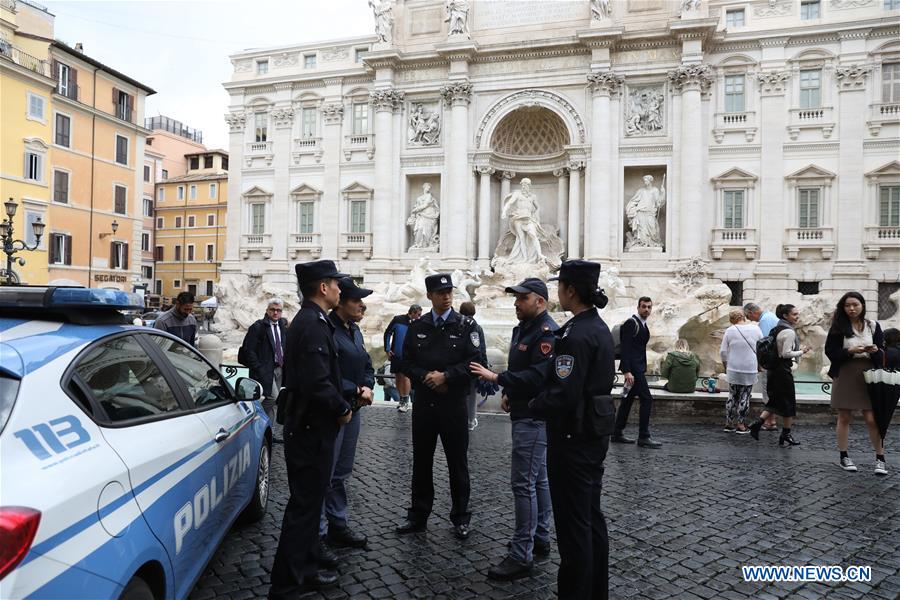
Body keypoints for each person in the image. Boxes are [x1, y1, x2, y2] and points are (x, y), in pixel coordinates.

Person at [530, 260, 615, 600]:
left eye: (560, 286)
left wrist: (531, 405)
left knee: (572, 526)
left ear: (571, 291)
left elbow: (564, 393)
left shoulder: (575, 335)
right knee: (591, 519)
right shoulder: (599, 328)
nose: (556, 293)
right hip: (593, 434)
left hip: (572, 437)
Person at [268, 260, 353, 598]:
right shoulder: (313, 324)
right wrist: (342, 407)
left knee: (309, 505)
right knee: (303, 508)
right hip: (310, 429)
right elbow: (317, 382)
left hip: (308, 427)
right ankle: (287, 584)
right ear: (322, 288)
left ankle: (304, 569)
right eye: (335, 284)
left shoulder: (311, 321)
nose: (339, 290)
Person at [469, 278, 557, 581]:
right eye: (516, 298)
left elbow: (537, 376)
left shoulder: (546, 332)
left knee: (524, 484)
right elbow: (523, 368)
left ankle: (522, 554)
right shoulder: (525, 327)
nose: (516, 303)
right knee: (539, 480)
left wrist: (497, 379)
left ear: (540, 302)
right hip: (524, 409)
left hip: (533, 416)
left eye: (522, 298)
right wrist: (509, 392)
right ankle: (540, 537)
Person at [396, 273, 483, 539]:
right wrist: (427, 378)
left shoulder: (466, 325)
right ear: (430, 296)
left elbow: (475, 363)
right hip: (424, 403)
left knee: (458, 463)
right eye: (440, 293)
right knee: (421, 462)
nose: (446, 296)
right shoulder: (418, 325)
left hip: (453, 404)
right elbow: (406, 362)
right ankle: (418, 515)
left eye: (449, 292)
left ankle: (460, 517)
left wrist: (447, 377)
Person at [319, 278, 376, 564]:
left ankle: (337, 524)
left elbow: (367, 363)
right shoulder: (327, 330)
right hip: (333, 411)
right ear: (341, 303)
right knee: (324, 474)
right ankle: (318, 535)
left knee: (341, 472)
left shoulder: (354, 330)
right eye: (357, 300)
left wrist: (367, 386)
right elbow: (324, 374)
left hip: (353, 409)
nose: (362, 305)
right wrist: (354, 388)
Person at [825, 292, 887, 476]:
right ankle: (844, 456)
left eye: (855, 305)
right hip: (845, 373)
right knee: (844, 416)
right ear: (843, 308)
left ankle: (880, 458)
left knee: (872, 419)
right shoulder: (838, 327)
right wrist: (849, 351)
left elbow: (883, 352)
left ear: (862, 306)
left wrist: (875, 351)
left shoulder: (873, 326)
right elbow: (831, 351)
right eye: (847, 305)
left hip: (868, 374)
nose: (852, 308)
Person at [749, 304, 811, 446]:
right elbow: (785, 353)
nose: (797, 317)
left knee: (775, 401)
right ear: (785, 316)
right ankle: (786, 434)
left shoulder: (776, 329)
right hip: (782, 371)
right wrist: (802, 352)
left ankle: (757, 424)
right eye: (794, 314)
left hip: (773, 370)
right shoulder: (789, 332)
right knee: (789, 403)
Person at [612, 297, 662, 448]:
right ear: (638, 307)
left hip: (637, 368)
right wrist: (627, 371)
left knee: (627, 400)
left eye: (649, 307)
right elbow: (626, 348)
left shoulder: (643, 325)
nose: (646, 309)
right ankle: (643, 436)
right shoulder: (631, 323)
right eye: (644, 306)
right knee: (646, 399)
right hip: (633, 370)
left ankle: (617, 433)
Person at [241, 299, 288, 422]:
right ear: (267, 310)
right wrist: (258, 367)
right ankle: (254, 418)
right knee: (273, 398)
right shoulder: (258, 327)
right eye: (272, 309)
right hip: (265, 369)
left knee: (272, 402)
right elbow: (249, 350)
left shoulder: (282, 326)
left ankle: (269, 433)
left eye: (278, 310)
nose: (275, 313)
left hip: (279, 368)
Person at [719, 309, 763, 434]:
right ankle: (741, 425)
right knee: (745, 395)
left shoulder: (729, 330)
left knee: (732, 395)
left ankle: (728, 424)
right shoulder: (756, 329)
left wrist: (726, 365)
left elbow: (723, 352)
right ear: (744, 317)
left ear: (732, 319)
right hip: (750, 368)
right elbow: (762, 348)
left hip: (733, 367)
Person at [744, 303, 779, 431]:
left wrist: (760, 365)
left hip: (769, 364)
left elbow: (764, 345)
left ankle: (770, 422)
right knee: (771, 392)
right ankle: (771, 421)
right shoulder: (770, 316)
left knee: (767, 392)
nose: (749, 319)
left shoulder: (764, 320)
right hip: (776, 362)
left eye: (748, 316)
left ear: (753, 312)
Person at [384, 305, 422, 412]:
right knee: (398, 377)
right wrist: (387, 349)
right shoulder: (398, 319)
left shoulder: (418, 323)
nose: (419, 317)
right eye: (418, 315)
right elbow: (387, 333)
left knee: (406, 376)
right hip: (396, 354)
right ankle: (401, 399)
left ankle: (405, 401)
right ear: (413, 313)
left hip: (409, 355)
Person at [459, 301, 487, 431]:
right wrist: (484, 367)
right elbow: (481, 348)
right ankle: (470, 420)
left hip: (458, 366)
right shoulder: (476, 327)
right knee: (472, 396)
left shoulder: (457, 324)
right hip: (473, 366)